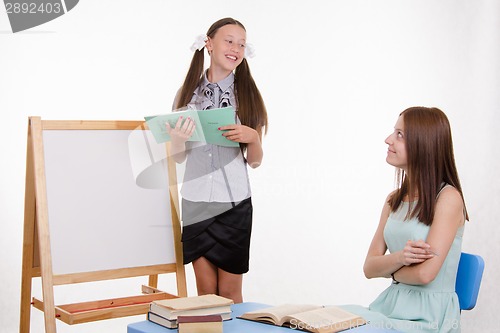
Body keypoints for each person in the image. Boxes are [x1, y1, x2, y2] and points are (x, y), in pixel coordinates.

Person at [166, 18, 267, 303]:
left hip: (233, 203)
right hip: (196, 203)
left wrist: (253, 139)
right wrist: (176, 140)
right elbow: (176, 159)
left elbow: (256, 162)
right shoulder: (187, 95)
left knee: (231, 294)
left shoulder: (248, 97)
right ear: (208, 44)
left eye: (241, 44)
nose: (236, 48)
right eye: (229, 40)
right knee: (205, 295)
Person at [342, 107, 468, 332]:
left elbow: (425, 274)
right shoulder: (393, 200)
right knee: (326, 320)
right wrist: (401, 257)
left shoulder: (448, 198)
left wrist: (389, 270)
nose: (388, 140)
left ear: (424, 144)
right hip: (390, 306)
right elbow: (369, 267)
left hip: (429, 316)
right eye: (394, 132)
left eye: (400, 135)